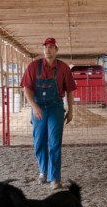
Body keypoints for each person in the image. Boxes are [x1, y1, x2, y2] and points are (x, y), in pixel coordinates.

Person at [21, 37, 76, 189]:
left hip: (55, 107)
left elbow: (70, 90)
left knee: (54, 142)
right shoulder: (33, 66)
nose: (48, 49)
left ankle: (55, 178)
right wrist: (34, 106)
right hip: (38, 107)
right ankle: (43, 171)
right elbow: (26, 88)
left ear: (56, 50)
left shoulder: (63, 68)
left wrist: (70, 110)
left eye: (51, 47)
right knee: (39, 142)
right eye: (45, 46)